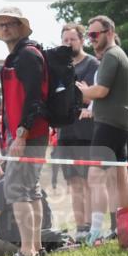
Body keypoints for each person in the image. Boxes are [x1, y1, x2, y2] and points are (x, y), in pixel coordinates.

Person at [0, 6, 49, 256]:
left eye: (10, 23)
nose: (5, 28)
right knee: (30, 190)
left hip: (30, 134)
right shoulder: (19, 55)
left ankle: (27, 253)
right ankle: (34, 249)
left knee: (16, 189)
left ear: (20, 27)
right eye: (1, 24)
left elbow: (35, 98)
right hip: (27, 134)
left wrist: (22, 134)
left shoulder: (27, 55)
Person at [78, 15, 128, 245]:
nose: (91, 40)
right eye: (89, 36)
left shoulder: (112, 56)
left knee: (97, 175)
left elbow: (101, 91)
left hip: (110, 125)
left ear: (109, 32)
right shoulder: (115, 55)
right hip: (119, 123)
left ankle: (95, 231)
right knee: (121, 177)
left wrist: (82, 91)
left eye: (95, 34)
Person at [54, 23, 99, 239]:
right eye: (65, 40)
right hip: (65, 131)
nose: (69, 43)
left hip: (86, 131)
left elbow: (92, 95)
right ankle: (80, 228)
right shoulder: (59, 66)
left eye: (72, 39)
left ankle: (90, 226)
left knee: (87, 180)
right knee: (73, 182)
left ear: (81, 40)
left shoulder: (92, 64)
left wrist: (75, 95)